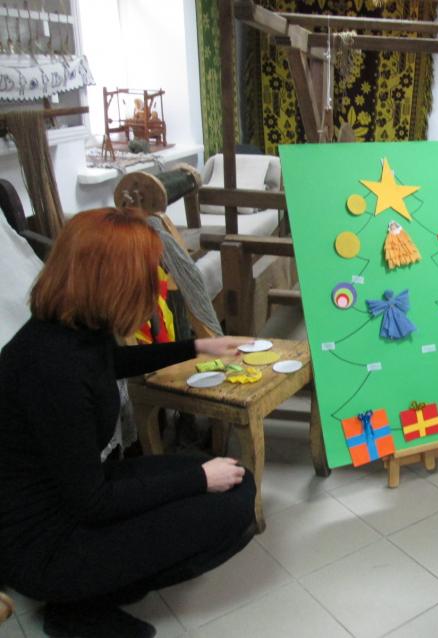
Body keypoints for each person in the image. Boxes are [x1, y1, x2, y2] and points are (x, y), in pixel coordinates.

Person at [0, 208, 256, 638]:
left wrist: (197, 347)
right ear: (113, 281)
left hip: (68, 502)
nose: (156, 284)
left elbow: (109, 362)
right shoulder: (52, 369)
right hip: (44, 547)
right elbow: (94, 503)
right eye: (149, 276)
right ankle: (78, 606)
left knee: (237, 481)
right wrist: (198, 479)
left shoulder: (66, 330)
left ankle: (89, 591)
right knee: (230, 506)